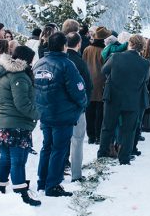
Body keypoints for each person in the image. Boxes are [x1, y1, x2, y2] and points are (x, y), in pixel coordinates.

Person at [33, 32, 88, 196]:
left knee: (47, 147)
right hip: (62, 114)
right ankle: (53, 185)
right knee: (59, 149)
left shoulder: (39, 63)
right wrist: (82, 103)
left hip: (45, 113)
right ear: (64, 46)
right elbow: (78, 89)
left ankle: (42, 181)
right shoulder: (66, 65)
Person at [0, 45, 41, 206]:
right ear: (25, 60)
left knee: (5, 158)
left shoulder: (3, 72)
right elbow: (22, 104)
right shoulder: (18, 76)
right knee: (18, 160)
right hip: (16, 124)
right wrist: (38, 114)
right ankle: (21, 194)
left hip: (3, 122)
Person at [98, 34, 150, 164]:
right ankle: (124, 158)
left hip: (113, 97)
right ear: (142, 47)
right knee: (129, 130)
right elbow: (145, 80)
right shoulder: (145, 63)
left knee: (107, 127)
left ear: (130, 44)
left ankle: (102, 154)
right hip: (133, 99)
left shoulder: (116, 57)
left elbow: (104, 70)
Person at [65, 32, 94, 182]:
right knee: (77, 141)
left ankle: (58, 170)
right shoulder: (79, 62)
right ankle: (76, 174)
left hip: (60, 107)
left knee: (59, 141)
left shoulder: (60, 60)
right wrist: (83, 104)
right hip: (76, 108)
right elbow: (88, 85)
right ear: (79, 44)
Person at [82, 27, 109, 144]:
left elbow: (83, 65)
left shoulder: (87, 49)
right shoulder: (104, 51)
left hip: (89, 82)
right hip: (102, 82)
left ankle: (91, 136)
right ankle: (98, 135)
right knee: (100, 111)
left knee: (89, 110)